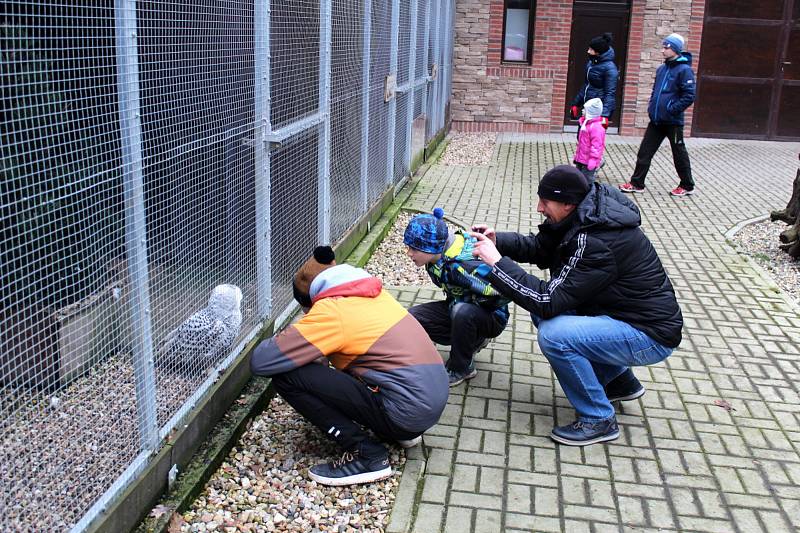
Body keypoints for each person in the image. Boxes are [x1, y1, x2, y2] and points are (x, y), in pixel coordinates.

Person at [469, 165, 683, 446]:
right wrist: (501, 243)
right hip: (621, 316)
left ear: (568, 204)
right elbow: (541, 248)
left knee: (555, 336)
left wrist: (496, 263)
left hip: (649, 335)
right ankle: (619, 382)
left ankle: (598, 419)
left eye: (545, 202)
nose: (538, 208)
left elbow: (547, 301)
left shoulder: (596, 240)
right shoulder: (584, 215)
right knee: (545, 314)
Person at [250, 246, 449, 485]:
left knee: (288, 377)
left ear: (311, 299)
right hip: (429, 402)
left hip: (406, 412)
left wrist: (300, 334)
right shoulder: (371, 293)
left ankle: (367, 455)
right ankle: (398, 433)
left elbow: (261, 362)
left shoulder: (331, 311)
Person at [404, 208, 510, 387]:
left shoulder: (462, 266)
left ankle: (461, 367)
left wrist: (475, 304)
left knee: (461, 311)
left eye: (414, 249)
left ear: (431, 247)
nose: (409, 253)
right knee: (412, 318)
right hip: (458, 306)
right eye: (408, 247)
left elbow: (505, 291)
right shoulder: (436, 258)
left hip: (492, 317)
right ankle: (469, 341)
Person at [619, 33, 696, 196]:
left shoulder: (685, 70)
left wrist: (671, 109)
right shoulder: (662, 69)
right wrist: (651, 107)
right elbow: (656, 91)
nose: (663, 50)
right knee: (644, 152)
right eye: (663, 47)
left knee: (679, 153)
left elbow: (689, 96)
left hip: (673, 122)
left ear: (675, 49)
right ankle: (637, 183)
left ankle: (687, 185)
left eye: (666, 47)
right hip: (656, 121)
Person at [569, 33, 619, 129]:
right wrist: (576, 104)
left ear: (598, 52)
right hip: (588, 107)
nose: (588, 51)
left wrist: (605, 115)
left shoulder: (610, 69)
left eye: (591, 50)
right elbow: (587, 85)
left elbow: (610, 93)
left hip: (597, 109)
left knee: (594, 138)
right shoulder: (591, 64)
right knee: (582, 136)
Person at [573, 98, 607, 185]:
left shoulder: (596, 128)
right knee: (578, 179)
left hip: (588, 161)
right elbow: (581, 144)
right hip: (581, 159)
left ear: (591, 112)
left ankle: (589, 196)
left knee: (587, 181)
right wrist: (577, 156)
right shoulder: (585, 124)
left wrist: (593, 160)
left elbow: (597, 146)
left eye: (585, 109)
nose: (582, 110)